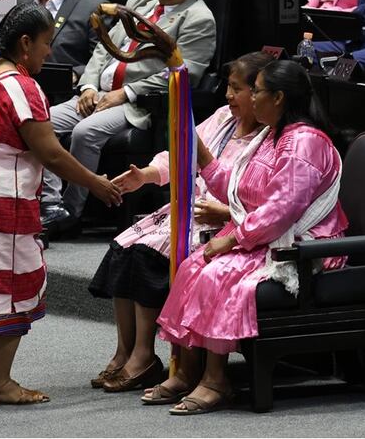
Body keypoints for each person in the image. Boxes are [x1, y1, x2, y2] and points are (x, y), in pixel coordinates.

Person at [0, 3, 122, 405]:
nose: (49, 52)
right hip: (2, 205)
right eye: (45, 43)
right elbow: (51, 153)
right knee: (15, 285)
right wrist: (95, 183)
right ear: (25, 43)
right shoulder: (21, 88)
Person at [148, 60, 348, 414]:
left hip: (301, 245)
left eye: (256, 91)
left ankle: (216, 381)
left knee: (217, 273)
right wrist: (202, 153)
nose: (250, 98)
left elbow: (281, 210)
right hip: (264, 236)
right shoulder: (270, 135)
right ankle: (189, 371)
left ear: (279, 97)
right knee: (193, 266)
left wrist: (231, 240)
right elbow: (238, 190)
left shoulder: (304, 142)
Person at [87, 52, 271, 394]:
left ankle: (143, 356)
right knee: (122, 248)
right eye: (228, 87)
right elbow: (181, 152)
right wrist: (145, 175)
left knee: (146, 253)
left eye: (237, 89)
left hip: (222, 221)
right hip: (187, 209)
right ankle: (124, 351)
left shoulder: (270, 138)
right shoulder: (222, 118)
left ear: (262, 92)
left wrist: (225, 212)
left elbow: (264, 200)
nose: (228, 95)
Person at [40, 0, 216, 231]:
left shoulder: (198, 19)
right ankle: (51, 204)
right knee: (40, 123)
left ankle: (71, 211)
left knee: (85, 131)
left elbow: (184, 73)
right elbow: (103, 47)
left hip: (137, 103)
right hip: (97, 93)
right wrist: (88, 85)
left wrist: (125, 92)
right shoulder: (140, 0)